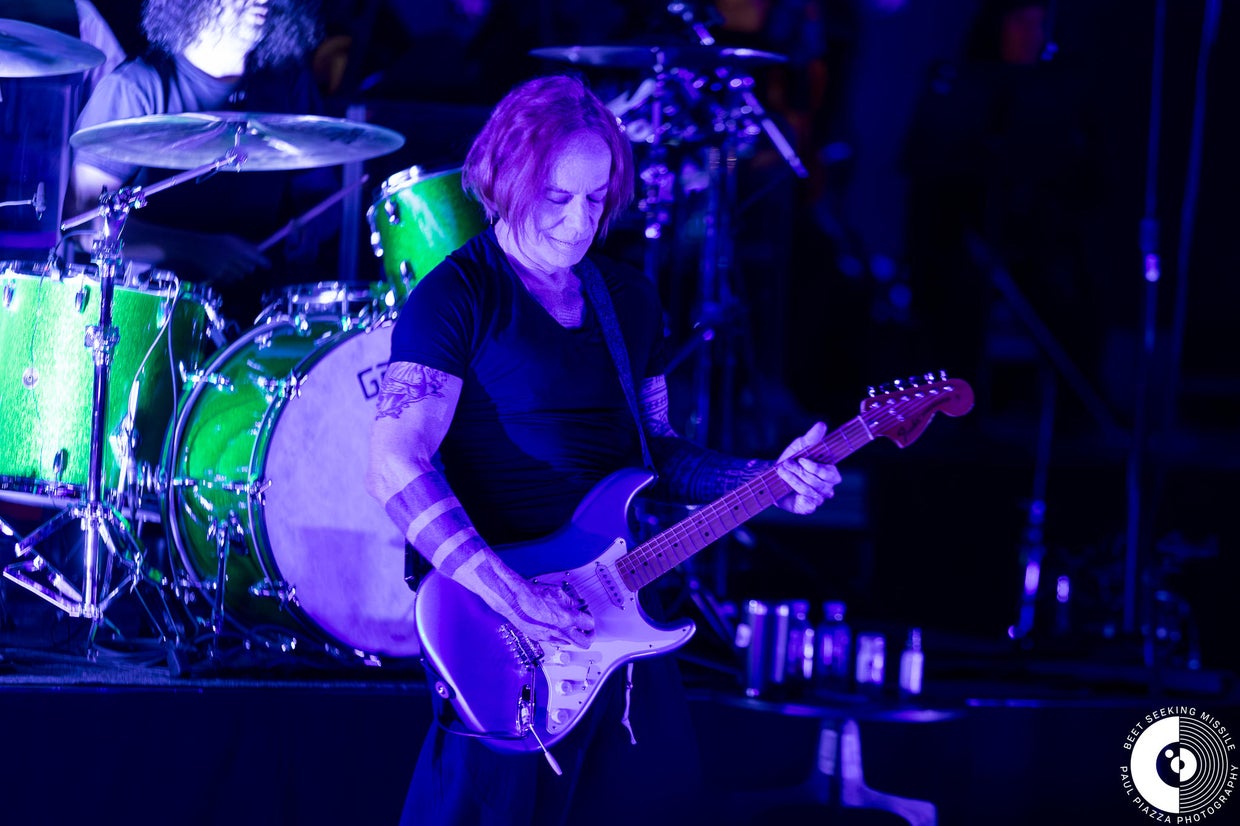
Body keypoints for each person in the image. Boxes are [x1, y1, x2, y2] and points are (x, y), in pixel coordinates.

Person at [365, 73, 841, 825]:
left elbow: (661, 453)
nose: (578, 222)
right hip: (503, 630)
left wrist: (768, 478)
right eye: (556, 198)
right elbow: (395, 460)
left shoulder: (629, 299)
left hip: (619, 618)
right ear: (503, 180)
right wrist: (508, 590)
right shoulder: (456, 297)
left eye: (595, 200)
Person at [67, 0, 332, 324]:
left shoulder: (288, 83)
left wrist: (310, 226)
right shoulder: (136, 89)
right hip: (155, 318)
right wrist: (198, 250)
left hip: (266, 316)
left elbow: (321, 195)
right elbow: (83, 222)